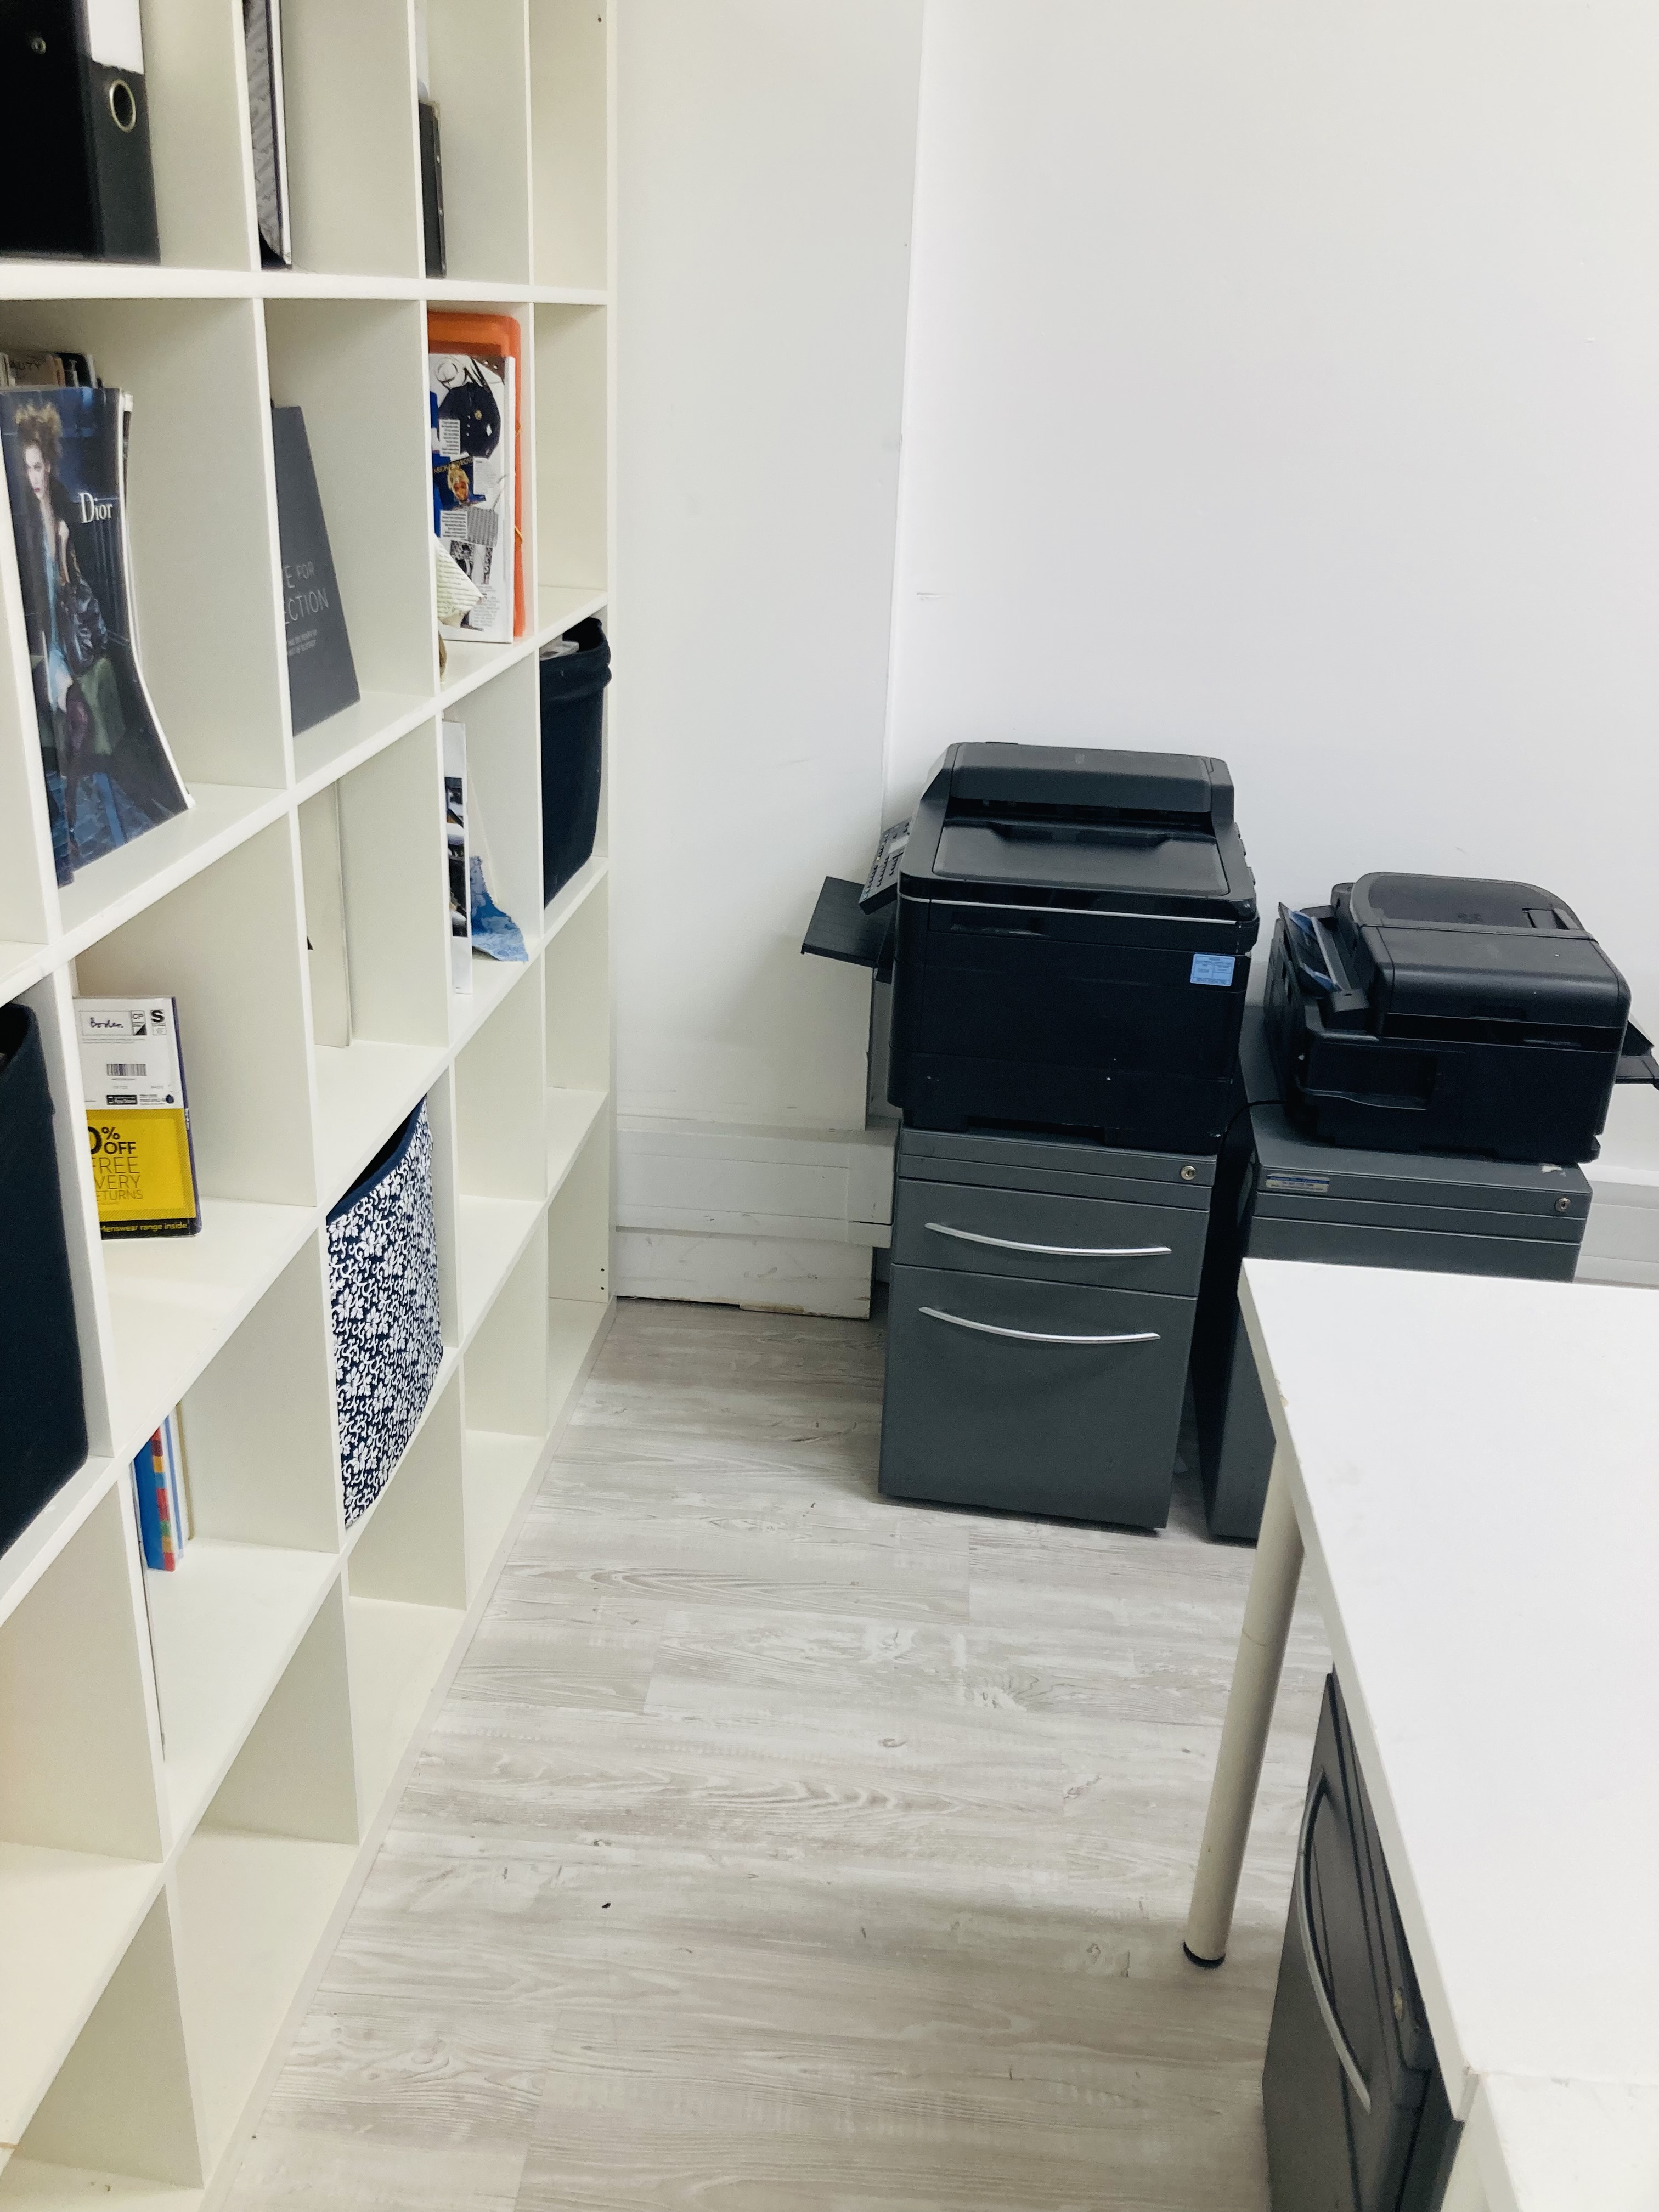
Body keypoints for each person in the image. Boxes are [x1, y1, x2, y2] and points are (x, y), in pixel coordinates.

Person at [14, 399, 126, 848]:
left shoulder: (58, 502)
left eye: (39, 467)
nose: (35, 478)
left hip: (60, 640)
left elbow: (68, 583)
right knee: (71, 716)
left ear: (49, 463)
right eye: (27, 469)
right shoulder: (18, 513)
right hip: (35, 644)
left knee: (77, 717)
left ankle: (69, 804)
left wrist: (62, 545)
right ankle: (61, 810)